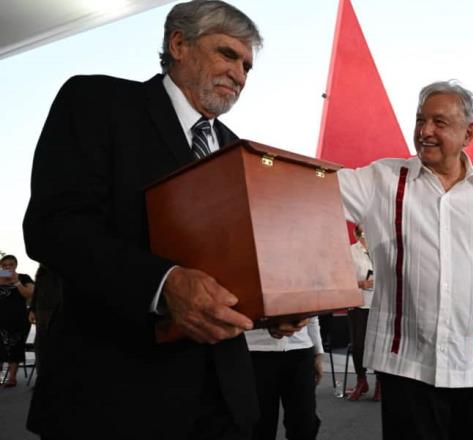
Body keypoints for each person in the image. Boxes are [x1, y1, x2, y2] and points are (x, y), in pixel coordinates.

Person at [23, 2, 302, 438]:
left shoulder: (237, 151)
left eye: (247, 65)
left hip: (224, 403)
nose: (241, 74)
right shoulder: (98, 102)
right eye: (227, 54)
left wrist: (270, 307)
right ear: (178, 44)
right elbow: (54, 225)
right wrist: (163, 284)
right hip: (114, 397)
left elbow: (236, 261)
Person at [336, 80, 473, 440]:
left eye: (439, 122)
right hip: (406, 370)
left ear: (469, 132)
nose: (424, 131)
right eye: (419, 120)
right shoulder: (381, 179)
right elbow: (309, 192)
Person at [244, 318, 324, 440]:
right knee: (259, 426)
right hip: (256, 349)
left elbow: (312, 312)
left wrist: (318, 352)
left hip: (300, 349)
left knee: (305, 423)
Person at [347, 225, 379, 401]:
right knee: (359, 346)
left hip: (380, 304)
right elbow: (341, 278)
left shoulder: (380, 249)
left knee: (379, 345)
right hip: (359, 304)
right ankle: (362, 380)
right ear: (357, 234)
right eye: (362, 232)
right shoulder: (350, 251)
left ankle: (381, 384)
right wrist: (360, 284)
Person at [0, 255, 35, 388]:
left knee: (14, 346)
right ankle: (1, 377)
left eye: (11, 265)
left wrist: (17, 282)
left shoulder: (23, 277)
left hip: (18, 319)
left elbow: (30, 294)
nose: (7, 267)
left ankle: (12, 378)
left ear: (16, 265)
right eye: (4, 265)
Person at [27, 264, 63, 381]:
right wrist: (32, 309)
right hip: (41, 310)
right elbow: (36, 290)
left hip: (58, 309)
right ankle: (42, 377)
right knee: (40, 345)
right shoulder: (42, 270)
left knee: (57, 343)